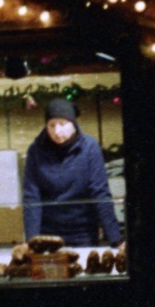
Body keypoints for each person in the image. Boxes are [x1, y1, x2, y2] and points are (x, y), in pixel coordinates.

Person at [21, 97, 121, 247]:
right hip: (47, 234)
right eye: (51, 125)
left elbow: (100, 192)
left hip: (83, 233)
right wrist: (32, 241)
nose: (57, 131)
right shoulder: (35, 150)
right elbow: (31, 197)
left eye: (62, 124)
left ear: (73, 124)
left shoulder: (90, 148)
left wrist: (116, 239)